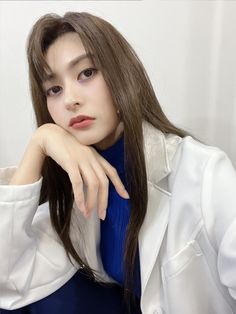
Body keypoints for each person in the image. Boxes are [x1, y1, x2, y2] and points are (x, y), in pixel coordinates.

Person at [0, 11, 236, 314]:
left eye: (86, 73)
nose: (70, 99)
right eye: (54, 89)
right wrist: (40, 141)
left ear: (122, 73)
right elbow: (8, 276)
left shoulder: (204, 174)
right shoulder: (78, 186)